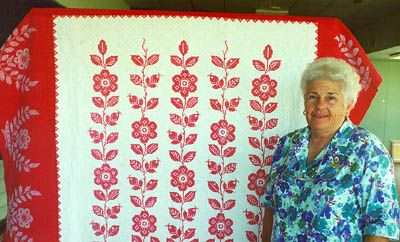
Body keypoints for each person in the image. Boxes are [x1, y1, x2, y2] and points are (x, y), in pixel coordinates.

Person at [262, 57, 400, 241]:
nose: (320, 105)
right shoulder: (287, 145)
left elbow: (380, 226)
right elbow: (271, 206)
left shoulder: (368, 151)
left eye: (331, 98)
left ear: (349, 104)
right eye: (313, 96)